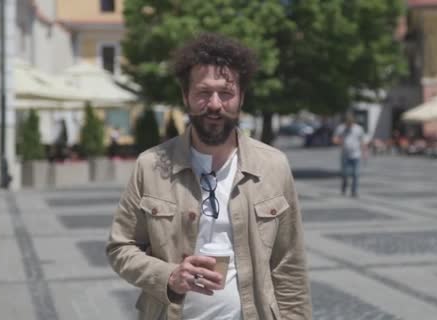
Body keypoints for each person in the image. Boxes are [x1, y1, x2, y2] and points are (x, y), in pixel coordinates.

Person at [106, 33, 312, 320]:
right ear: (186, 97)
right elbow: (121, 247)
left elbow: (289, 266)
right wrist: (168, 276)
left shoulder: (273, 166)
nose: (214, 104)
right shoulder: (151, 165)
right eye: (203, 93)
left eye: (225, 93)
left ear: (241, 98)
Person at [332, 114, 366, 197]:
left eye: (351, 123)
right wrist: (339, 141)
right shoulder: (341, 128)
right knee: (345, 173)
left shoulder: (358, 129)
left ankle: (354, 191)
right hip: (345, 155)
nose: (349, 125)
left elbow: (362, 141)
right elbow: (334, 139)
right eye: (348, 123)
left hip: (356, 154)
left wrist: (364, 152)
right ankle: (344, 186)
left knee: (356, 174)